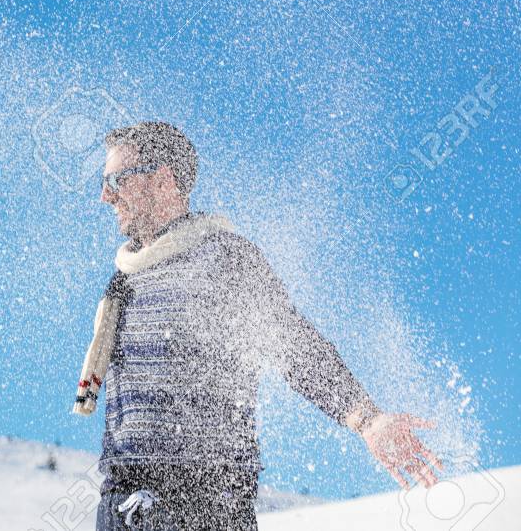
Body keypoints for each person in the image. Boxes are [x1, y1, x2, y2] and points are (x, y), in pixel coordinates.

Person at [72, 122, 442, 531]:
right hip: (121, 504)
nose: (106, 196)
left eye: (117, 180)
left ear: (163, 180)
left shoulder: (223, 259)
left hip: (204, 502)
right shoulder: (124, 282)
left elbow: (293, 344)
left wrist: (367, 419)